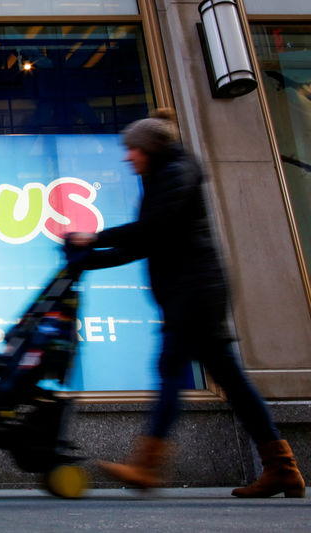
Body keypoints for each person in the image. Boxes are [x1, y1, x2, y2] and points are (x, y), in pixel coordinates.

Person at [67, 108, 305, 498]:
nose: (128, 157)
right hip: (192, 292)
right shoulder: (163, 175)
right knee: (230, 381)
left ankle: (147, 467)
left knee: (172, 372)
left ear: (149, 148)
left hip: (194, 293)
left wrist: (93, 240)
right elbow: (146, 242)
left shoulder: (177, 173)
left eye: (133, 150)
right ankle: (281, 467)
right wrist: (90, 259)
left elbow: (150, 231)